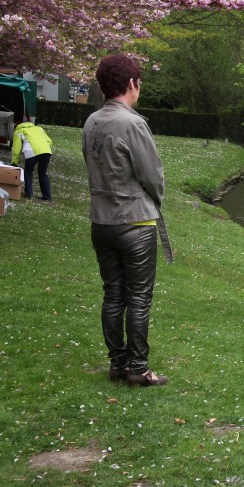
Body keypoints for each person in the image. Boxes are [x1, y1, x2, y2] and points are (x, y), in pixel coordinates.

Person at [82, 54, 168, 386]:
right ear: (131, 84)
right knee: (139, 297)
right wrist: (154, 200)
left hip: (102, 222)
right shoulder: (133, 123)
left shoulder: (91, 121)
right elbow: (152, 176)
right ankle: (139, 368)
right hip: (134, 223)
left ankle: (118, 364)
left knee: (113, 294)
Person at [12, 114, 52, 200]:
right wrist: (44, 149)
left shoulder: (18, 131)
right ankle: (47, 196)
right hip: (46, 151)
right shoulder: (39, 128)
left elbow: (16, 149)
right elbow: (49, 141)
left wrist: (14, 162)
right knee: (43, 173)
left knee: (28, 172)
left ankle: (28, 194)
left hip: (31, 152)